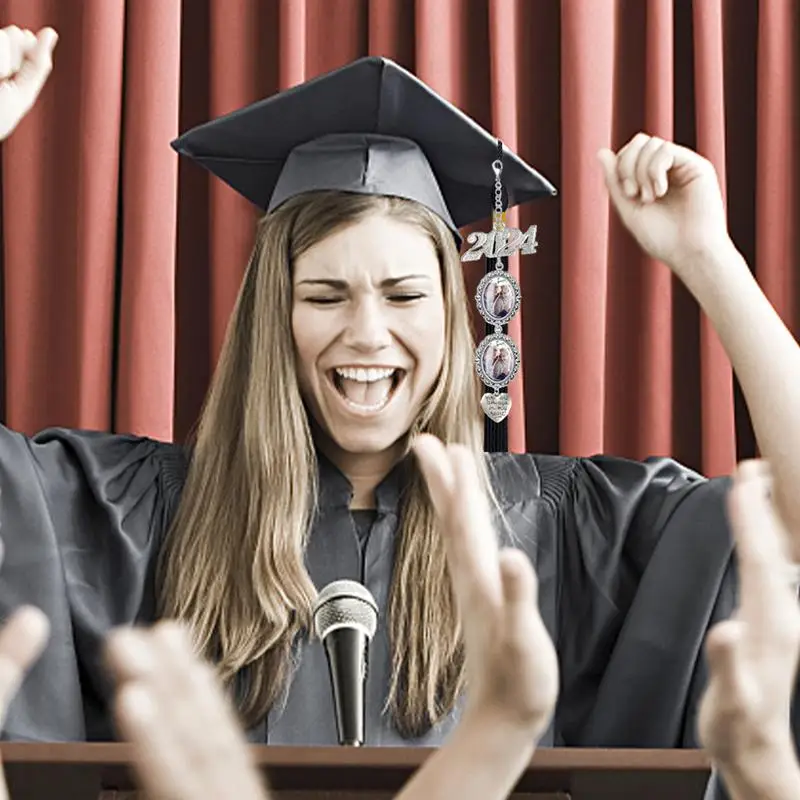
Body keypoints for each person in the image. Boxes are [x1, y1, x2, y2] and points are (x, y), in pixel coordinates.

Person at [2, 23, 800, 753]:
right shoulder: (135, 520)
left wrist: (709, 261)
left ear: (455, 315)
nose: (367, 333)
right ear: (271, 318)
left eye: (405, 294)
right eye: (323, 296)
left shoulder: (557, 531)